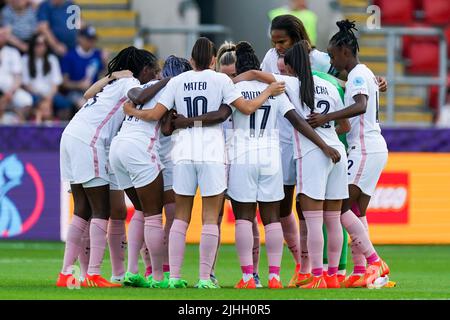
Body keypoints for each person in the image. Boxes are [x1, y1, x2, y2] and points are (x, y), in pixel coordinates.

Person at [126, 37, 285, 289]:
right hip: (211, 151)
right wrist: (267, 91)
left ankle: (175, 277)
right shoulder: (221, 79)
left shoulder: (178, 81)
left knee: (181, 217)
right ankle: (204, 278)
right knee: (210, 218)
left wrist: (134, 112)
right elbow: (244, 108)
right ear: (213, 60)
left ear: (191, 60)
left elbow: (156, 115)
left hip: (184, 150)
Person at [221, 41, 340, 289]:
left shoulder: (233, 87)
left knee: (244, 218)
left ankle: (247, 279)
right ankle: (274, 277)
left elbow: (221, 120)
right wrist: (323, 145)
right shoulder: (275, 89)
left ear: (239, 68)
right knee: (272, 219)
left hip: (243, 154)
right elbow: (296, 120)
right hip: (271, 156)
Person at [56, 47, 159, 288]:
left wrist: (112, 76)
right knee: (100, 210)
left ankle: (65, 274)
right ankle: (93, 274)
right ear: (143, 70)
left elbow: (86, 95)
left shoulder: (112, 85)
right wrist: (166, 83)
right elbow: (138, 96)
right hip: (89, 141)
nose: (154, 77)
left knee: (82, 210)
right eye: (153, 72)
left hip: (71, 135)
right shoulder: (130, 82)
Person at [307, 20, 390, 288]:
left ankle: (375, 261)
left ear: (345, 50)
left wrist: (326, 117)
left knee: (341, 206)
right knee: (356, 210)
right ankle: (360, 270)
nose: (332, 61)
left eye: (333, 55)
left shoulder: (356, 75)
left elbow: (360, 105)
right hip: (372, 145)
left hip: (364, 146)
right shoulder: (364, 73)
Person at [109, 56, 192, 289]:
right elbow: (164, 128)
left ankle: (132, 270)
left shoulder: (146, 85)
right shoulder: (174, 90)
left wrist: (132, 111)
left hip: (118, 149)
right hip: (144, 151)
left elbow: (134, 98)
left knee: (142, 211)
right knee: (156, 217)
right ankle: (158, 276)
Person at [283, 41, 351, 288]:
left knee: (313, 223)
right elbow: (345, 126)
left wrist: (322, 145)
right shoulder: (329, 85)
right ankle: (333, 277)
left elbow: (258, 75)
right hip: (338, 152)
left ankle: (318, 276)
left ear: (290, 67)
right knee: (333, 220)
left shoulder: (290, 84)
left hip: (314, 154)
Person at [213, 41, 262, 287]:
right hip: (219, 159)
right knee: (216, 215)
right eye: (226, 77)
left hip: (244, 157)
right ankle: (209, 273)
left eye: (234, 75)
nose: (231, 81)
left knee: (249, 218)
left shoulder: (248, 94)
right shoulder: (214, 95)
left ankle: (253, 273)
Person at [22, 33, 72, 123]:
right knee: (27, 102)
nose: (41, 47)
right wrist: (41, 97)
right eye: (38, 44)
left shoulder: (52, 59)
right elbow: (26, 84)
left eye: (44, 44)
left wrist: (49, 97)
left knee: (66, 104)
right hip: (34, 94)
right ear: (33, 45)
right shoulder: (25, 59)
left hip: (51, 94)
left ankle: (60, 128)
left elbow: (56, 83)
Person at [61, 26, 106, 110]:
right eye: (88, 39)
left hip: (94, 92)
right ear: (80, 38)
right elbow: (64, 83)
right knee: (83, 104)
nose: (91, 42)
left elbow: (106, 76)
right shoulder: (70, 56)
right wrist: (79, 85)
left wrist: (105, 61)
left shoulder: (98, 54)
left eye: (93, 39)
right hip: (74, 93)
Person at [0, 26, 33, 122]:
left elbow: (18, 77)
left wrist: (10, 93)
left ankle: (15, 123)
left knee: (27, 101)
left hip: (10, 91)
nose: (1, 37)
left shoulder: (12, 52)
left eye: (3, 35)